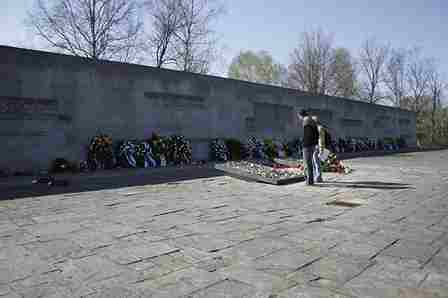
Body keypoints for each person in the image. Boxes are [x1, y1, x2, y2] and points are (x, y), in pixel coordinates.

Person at [297, 109, 319, 185]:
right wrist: (315, 143)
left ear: (301, 115)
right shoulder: (312, 120)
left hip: (307, 145)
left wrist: (304, 143)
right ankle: (311, 180)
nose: (299, 118)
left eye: (299, 116)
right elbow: (316, 133)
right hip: (313, 144)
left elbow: (307, 134)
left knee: (307, 163)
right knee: (310, 163)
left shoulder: (306, 121)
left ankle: (309, 181)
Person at [312, 116, 326, 183]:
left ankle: (319, 177)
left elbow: (321, 140)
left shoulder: (320, 128)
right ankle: (316, 176)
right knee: (314, 162)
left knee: (317, 162)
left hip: (317, 147)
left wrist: (321, 150)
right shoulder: (316, 128)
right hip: (315, 147)